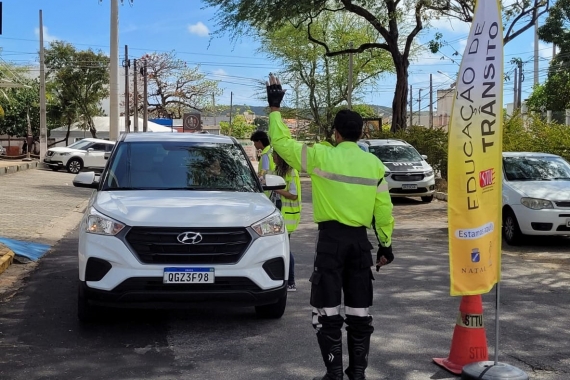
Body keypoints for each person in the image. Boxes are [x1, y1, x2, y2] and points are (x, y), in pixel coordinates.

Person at [265, 74, 395, 380]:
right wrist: (386, 244)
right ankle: (358, 373)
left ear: (335, 134)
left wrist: (274, 107)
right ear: (360, 134)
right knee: (360, 312)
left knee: (327, 311)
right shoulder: (373, 165)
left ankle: (334, 373)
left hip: (331, 243)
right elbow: (384, 210)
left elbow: (282, 144)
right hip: (360, 244)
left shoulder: (321, 156)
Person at [272, 150, 302, 292]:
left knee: (286, 249)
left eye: (275, 156)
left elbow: (293, 195)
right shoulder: (277, 170)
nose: (273, 158)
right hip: (276, 213)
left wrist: (276, 190)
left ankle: (291, 281)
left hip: (287, 216)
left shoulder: (291, 172)